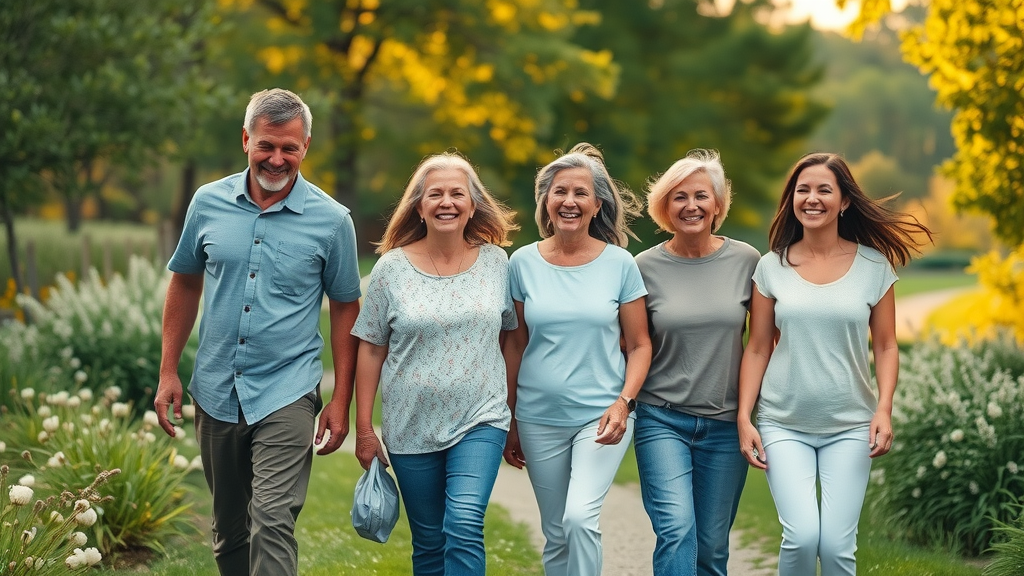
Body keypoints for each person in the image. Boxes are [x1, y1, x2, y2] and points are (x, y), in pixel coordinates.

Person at [154, 88, 362, 576]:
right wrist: (168, 371)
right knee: (230, 529)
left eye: (289, 148)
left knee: (272, 518)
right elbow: (184, 282)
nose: (277, 158)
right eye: (266, 145)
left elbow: (345, 309)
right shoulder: (207, 203)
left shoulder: (332, 222)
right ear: (246, 139)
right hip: (216, 386)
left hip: (287, 389)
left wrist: (341, 399)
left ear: (305, 146)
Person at [736, 152, 932, 575]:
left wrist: (883, 408)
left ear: (843, 201)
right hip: (783, 422)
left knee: (839, 548)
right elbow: (757, 348)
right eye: (802, 189)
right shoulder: (772, 267)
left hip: (850, 425)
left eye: (824, 189)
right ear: (791, 200)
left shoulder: (873, 266)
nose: (812, 198)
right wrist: (744, 416)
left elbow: (886, 346)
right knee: (803, 536)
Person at [352, 152, 519, 576]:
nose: (446, 202)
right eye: (436, 194)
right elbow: (371, 347)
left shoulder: (498, 263)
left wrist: (510, 412)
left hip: (480, 419)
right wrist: (365, 428)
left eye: (457, 193)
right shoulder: (390, 268)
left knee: (463, 524)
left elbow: (508, 338)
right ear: (419, 206)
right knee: (428, 542)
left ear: (473, 204)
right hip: (410, 426)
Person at [503, 142, 652, 576]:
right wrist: (510, 419)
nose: (569, 201)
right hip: (537, 417)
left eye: (580, 193)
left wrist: (624, 402)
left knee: (580, 519)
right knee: (556, 533)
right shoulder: (522, 263)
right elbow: (515, 345)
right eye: (560, 192)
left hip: (602, 417)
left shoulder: (620, 264)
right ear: (546, 202)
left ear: (596, 204)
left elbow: (640, 344)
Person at [633, 149, 760, 576]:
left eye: (701, 196)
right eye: (679, 197)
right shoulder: (643, 267)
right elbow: (630, 345)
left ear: (718, 205)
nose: (691, 206)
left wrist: (748, 415)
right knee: (676, 527)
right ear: (665, 207)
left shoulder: (747, 261)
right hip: (661, 418)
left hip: (725, 426)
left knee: (711, 547)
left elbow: (763, 344)